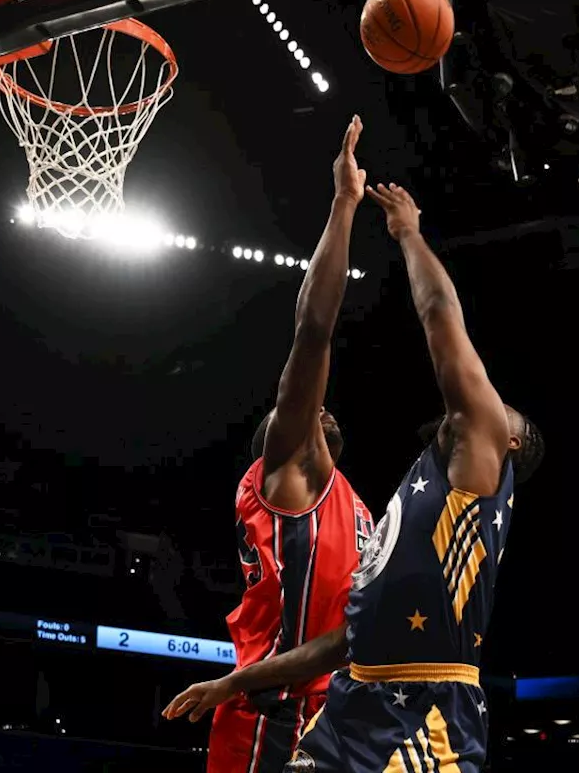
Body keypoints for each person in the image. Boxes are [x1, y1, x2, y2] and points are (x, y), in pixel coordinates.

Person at [166, 181, 545, 773]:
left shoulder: (473, 470)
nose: (490, 401)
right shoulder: (390, 494)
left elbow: (440, 317)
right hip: (337, 700)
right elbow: (350, 638)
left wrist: (408, 233)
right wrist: (236, 682)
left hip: (423, 711)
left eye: (504, 409)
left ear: (510, 442)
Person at [207, 116, 376, 773]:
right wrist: (343, 205)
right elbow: (313, 330)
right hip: (269, 714)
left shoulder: (354, 504)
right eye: (308, 415)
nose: (321, 410)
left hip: (336, 711)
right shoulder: (286, 481)